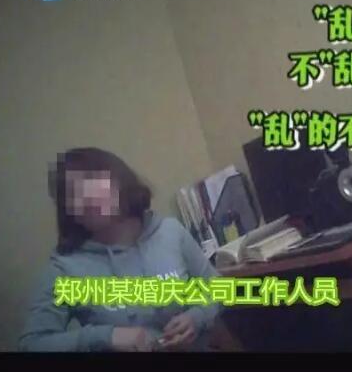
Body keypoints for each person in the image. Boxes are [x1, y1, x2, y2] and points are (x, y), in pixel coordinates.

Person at [19, 147, 221, 352]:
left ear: (120, 183)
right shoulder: (64, 269)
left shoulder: (169, 232)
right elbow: (32, 344)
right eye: (72, 193)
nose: (86, 197)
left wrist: (198, 317)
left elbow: (219, 289)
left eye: (92, 182)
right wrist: (106, 336)